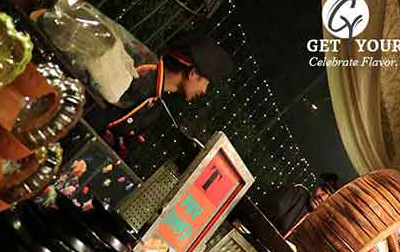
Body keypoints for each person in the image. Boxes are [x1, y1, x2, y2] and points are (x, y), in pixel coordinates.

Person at [86, 31, 235, 158]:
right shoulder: (137, 70)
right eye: (206, 83)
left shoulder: (156, 106)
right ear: (193, 74)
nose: (204, 90)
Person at [261, 173, 340, 235]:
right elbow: (263, 217)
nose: (322, 197)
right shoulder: (296, 193)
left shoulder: (319, 224)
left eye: (329, 198)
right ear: (317, 186)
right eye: (323, 189)